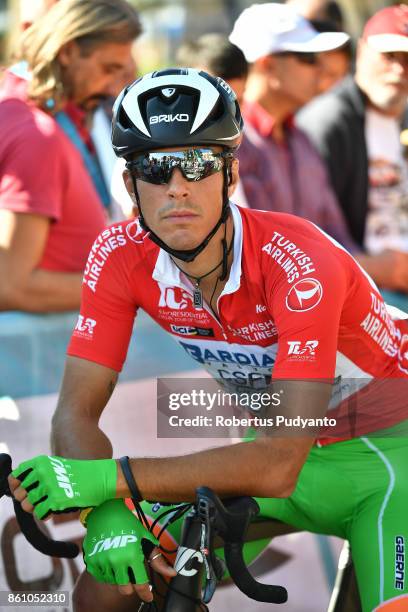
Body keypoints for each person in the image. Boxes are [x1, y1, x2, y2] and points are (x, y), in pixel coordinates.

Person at [8, 69, 408, 612]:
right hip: (276, 455)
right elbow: (75, 412)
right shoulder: (119, 256)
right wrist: (105, 517)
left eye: (199, 163)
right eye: (154, 167)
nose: (177, 186)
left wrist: (107, 481)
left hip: (388, 462)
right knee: (111, 589)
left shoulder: (298, 261)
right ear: (130, 185)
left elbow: (277, 464)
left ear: (231, 174)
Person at [0, 0, 141, 312]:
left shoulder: (23, 110)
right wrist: (135, 287)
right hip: (36, 356)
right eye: (108, 69)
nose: (111, 87)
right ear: (68, 51)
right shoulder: (36, 134)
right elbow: (11, 286)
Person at [298, 5, 408, 312]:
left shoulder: (403, 116)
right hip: (362, 287)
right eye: (389, 56)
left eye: (407, 59)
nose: (399, 70)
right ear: (362, 52)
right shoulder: (327, 122)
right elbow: (306, 230)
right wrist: (372, 266)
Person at [228, 3, 357, 251]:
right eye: (308, 58)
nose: (320, 70)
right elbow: (254, 251)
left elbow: (337, 235)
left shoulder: (301, 139)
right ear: (268, 65)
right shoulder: (229, 144)